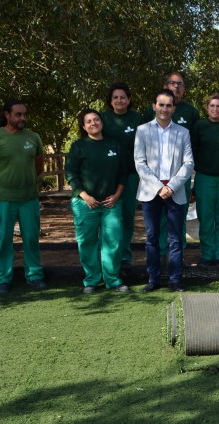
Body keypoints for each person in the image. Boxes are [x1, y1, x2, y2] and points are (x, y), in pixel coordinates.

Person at [0, 99, 47, 294]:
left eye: (25, 114)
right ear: (7, 115)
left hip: (29, 198)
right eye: (18, 114)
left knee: (31, 238)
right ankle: (2, 280)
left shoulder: (33, 138)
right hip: (3, 200)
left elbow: (39, 166)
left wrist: (32, 184)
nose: (23, 118)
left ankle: (34, 276)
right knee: (3, 240)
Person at [135, 89, 194, 293]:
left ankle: (175, 279)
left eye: (169, 105)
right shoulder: (142, 131)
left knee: (176, 238)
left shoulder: (183, 132)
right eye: (161, 104)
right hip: (151, 191)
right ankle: (153, 278)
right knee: (152, 238)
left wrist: (171, 186)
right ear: (154, 106)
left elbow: (188, 163)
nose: (164, 109)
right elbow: (140, 163)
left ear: (174, 108)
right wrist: (159, 187)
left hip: (175, 191)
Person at [65, 109, 129, 294]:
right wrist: (85, 196)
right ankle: (91, 280)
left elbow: (123, 174)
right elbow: (71, 174)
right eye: (89, 121)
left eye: (96, 119)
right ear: (84, 127)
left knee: (113, 241)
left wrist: (117, 195)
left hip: (111, 204)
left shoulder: (114, 145)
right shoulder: (79, 146)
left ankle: (113, 280)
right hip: (85, 203)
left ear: (101, 122)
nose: (93, 123)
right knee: (87, 242)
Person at [143, 72, 199, 255]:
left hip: (180, 175)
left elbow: (195, 144)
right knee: (157, 221)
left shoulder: (191, 111)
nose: (176, 86)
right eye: (172, 83)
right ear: (165, 85)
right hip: (155, 177)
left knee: (178, 218)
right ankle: (159, 255)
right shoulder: (150, 111)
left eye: (180, 84)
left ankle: (178, 255)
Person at [100, 83, 144, 272]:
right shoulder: (102, 119)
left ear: (129, 99)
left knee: (127, 216)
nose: (119, 100)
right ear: (110, 101)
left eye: (123, 97)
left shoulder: (137, 119)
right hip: (106, 177)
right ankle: (107, 256)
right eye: (115, 97)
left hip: (131, 175)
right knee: (108, 217)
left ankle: (125, 254)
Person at [191, 93, 219, 268]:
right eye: (212, 106)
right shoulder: (199, 126)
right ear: (207, 108)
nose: (215, 109)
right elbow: (191, 150)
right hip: (204, 178)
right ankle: (207, 255)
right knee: (206, 218)